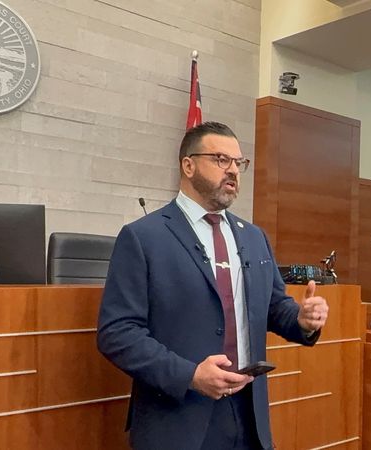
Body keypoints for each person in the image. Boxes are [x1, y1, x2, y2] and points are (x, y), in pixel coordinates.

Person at [97, 121, 329, 450]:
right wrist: (190, 375)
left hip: (249, 415)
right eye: (221, 160)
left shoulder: (253, 236)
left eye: (238, 163)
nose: (233, 170)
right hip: (178, 418)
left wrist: (302, 320)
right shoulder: (144, 237)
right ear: (188, 165)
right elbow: (117, 333)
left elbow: (275, 307)